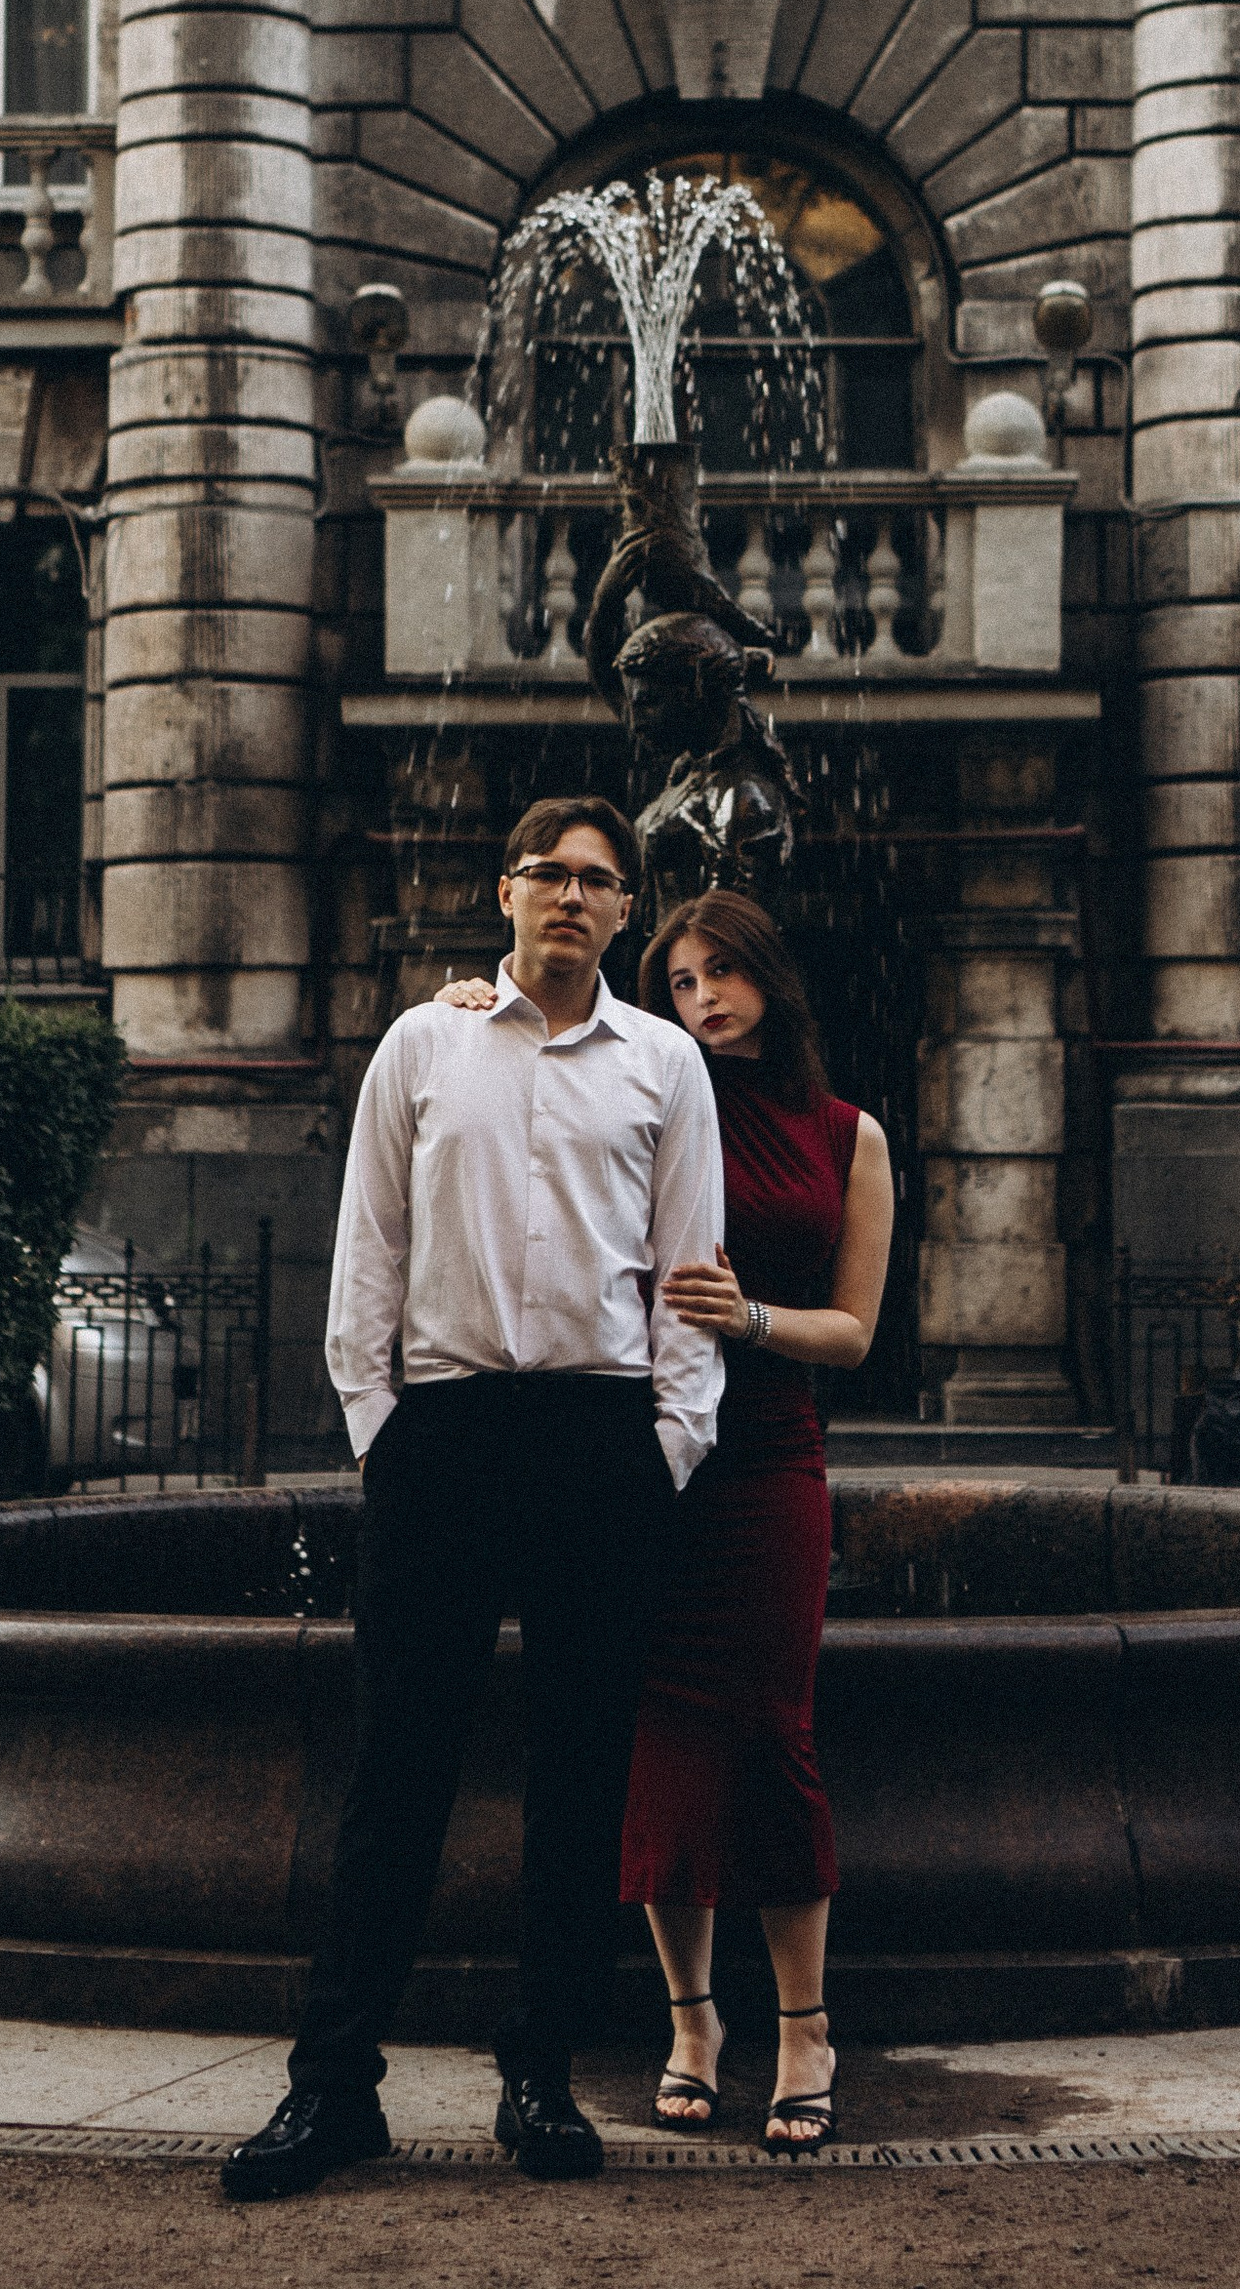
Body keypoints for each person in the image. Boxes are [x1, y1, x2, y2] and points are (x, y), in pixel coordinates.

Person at [220, 795, 725, 2205]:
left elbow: (691, 1267)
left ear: (628, 910)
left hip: (597, 1438)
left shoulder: (665, 1066)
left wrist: (671, 1442)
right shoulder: (422, 1041)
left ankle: (542, 2077)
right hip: (443, 1434)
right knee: (396, 1779)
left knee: (578, 1785)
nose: (571, 898)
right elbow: (366, 1247)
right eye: (548, 875)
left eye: (598, 881)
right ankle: (333, 2091)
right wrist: (382, 1428)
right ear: (505, 894)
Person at [437, 888, 894, 2151]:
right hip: (636, 1450)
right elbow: (525, 1112)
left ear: (769, 976)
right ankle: (694, 2023)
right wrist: (467, 1004)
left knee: (773, 1733)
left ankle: (806, 2027)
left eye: (722, 974)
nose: (703, 1000)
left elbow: (854, 1333)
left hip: (766, 1457)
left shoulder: (848, 1134)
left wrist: (748, 1320)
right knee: (657, 1744)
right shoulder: (640, 1087)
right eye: (681, 982)